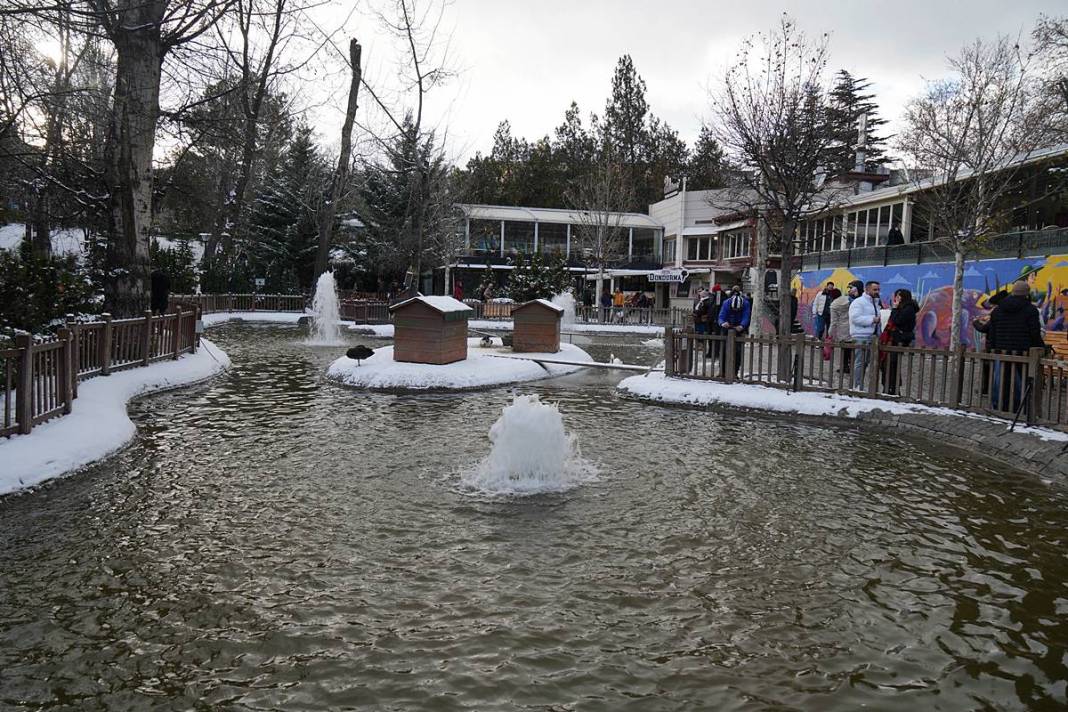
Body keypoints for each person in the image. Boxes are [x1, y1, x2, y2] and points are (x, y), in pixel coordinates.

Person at [987, 280, 1044, 412]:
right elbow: (1034, 332)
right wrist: (1040, 347)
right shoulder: (1031, 310)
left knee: (1001, 381)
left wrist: (994, 347)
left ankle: (1000, 406)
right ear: (1026, 294)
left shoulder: (997, 310)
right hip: (1022, 351)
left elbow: (992, 332)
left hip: (1001, 351)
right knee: (1023, 382)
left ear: (1013, 292)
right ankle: (1021, 409)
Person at [973, 290, 1008, 396]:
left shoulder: (997, 313)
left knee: (989, 369)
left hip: (993, 346)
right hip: (1004, 345)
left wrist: (975, 322)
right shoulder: (1006, 312)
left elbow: (985, 328)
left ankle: (988, 389)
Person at [883, 288, 918, 395]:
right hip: (896, 338)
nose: (896, 299)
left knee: (892, 363)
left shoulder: (908, 309)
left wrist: (895, 308)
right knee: (889, 364)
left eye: (898, 296)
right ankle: (890, 386)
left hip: (899, 338)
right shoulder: (905, 308)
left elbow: (897, 320)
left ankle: (893, 387)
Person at [849, 280, 882, 390]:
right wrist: (872, 320)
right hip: (860, 335)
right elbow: (855, 318)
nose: (877, 291)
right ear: (867, 290)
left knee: (867, 363)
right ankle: (857, 386)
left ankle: (862, 386)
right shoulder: (859, 302)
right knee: (860, 363)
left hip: (872, 335)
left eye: (878, 289)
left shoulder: (875, 303)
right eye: (875, 289)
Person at [718, 286, 751, 376]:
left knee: (738, 352)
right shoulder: (726, 303)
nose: (736, 311)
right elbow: (721, 316)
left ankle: (735, 372)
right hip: (727, 327)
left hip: (739, 328)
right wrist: (722, 323)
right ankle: (723, 371)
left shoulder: (746, 303)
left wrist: (742, 325)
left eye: (738, 310)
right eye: (734, 310)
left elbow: (746, 316)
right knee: (724, 350)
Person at [829, 282, 857, 373]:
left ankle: (845, 367)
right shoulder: (848, 299)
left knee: (844, 349)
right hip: (852, 327)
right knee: (850, 349)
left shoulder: (834, 305)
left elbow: (833, 322)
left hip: (842, 329)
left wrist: (830, 333)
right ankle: (852, 366)